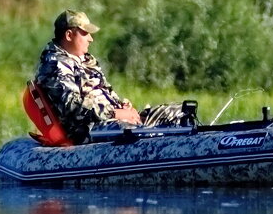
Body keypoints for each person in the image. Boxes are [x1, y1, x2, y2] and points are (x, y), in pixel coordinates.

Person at [34, 10, 183, 144]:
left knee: (180, 112)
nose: (90, 39)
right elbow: (72, 107)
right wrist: (115, 113)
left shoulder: (86, 60)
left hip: (110, 119)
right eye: (85, 33)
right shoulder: (55, 65)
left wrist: (122, 107)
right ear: (69, 35)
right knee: (134, 132)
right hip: (86, 129)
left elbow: (104, 91)